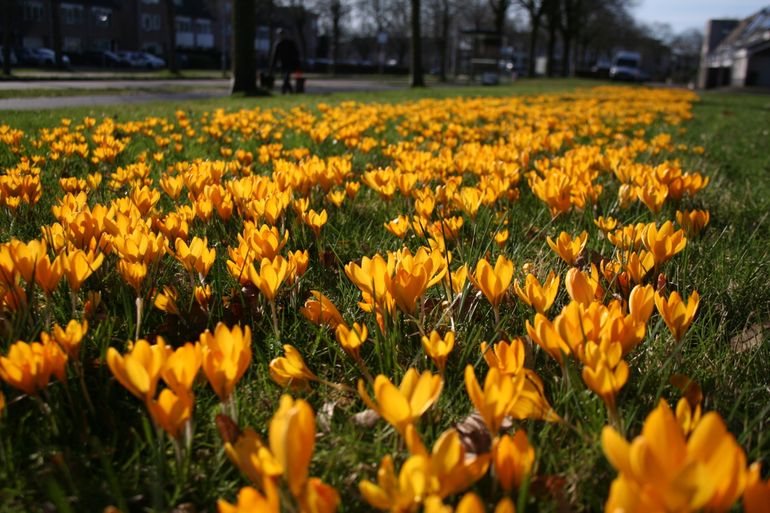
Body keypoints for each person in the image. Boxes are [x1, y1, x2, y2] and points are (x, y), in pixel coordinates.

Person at [269, 29, 300, 94]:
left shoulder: (290, 43)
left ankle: (283, 91)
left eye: (282, 34)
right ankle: (291, 92)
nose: (281, 36)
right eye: (280, 34)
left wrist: (296, 62)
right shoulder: (278, 44)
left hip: (290, 64)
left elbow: (295, 53)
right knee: (285, 79)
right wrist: (272, 66)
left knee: (286, 78)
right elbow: (275, 56)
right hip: (282, 64)